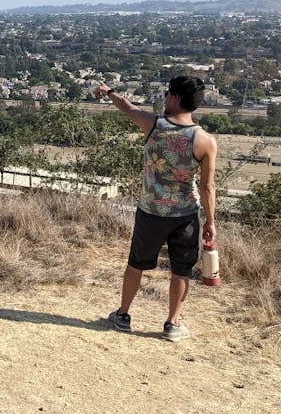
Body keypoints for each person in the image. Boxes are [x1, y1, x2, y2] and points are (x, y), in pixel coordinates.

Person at [93, 76, 217, 341]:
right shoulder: (205, 141)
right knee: (181, 270)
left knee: (136, 264)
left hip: (151, 211)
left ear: (175, 98)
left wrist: (109, 92)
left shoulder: (153, 126)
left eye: (168, 94)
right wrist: (210, 221)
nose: (165, 98)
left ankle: (123, 315)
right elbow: (208, 187)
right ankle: (172, 323)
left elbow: (128, 108)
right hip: (185, 215)